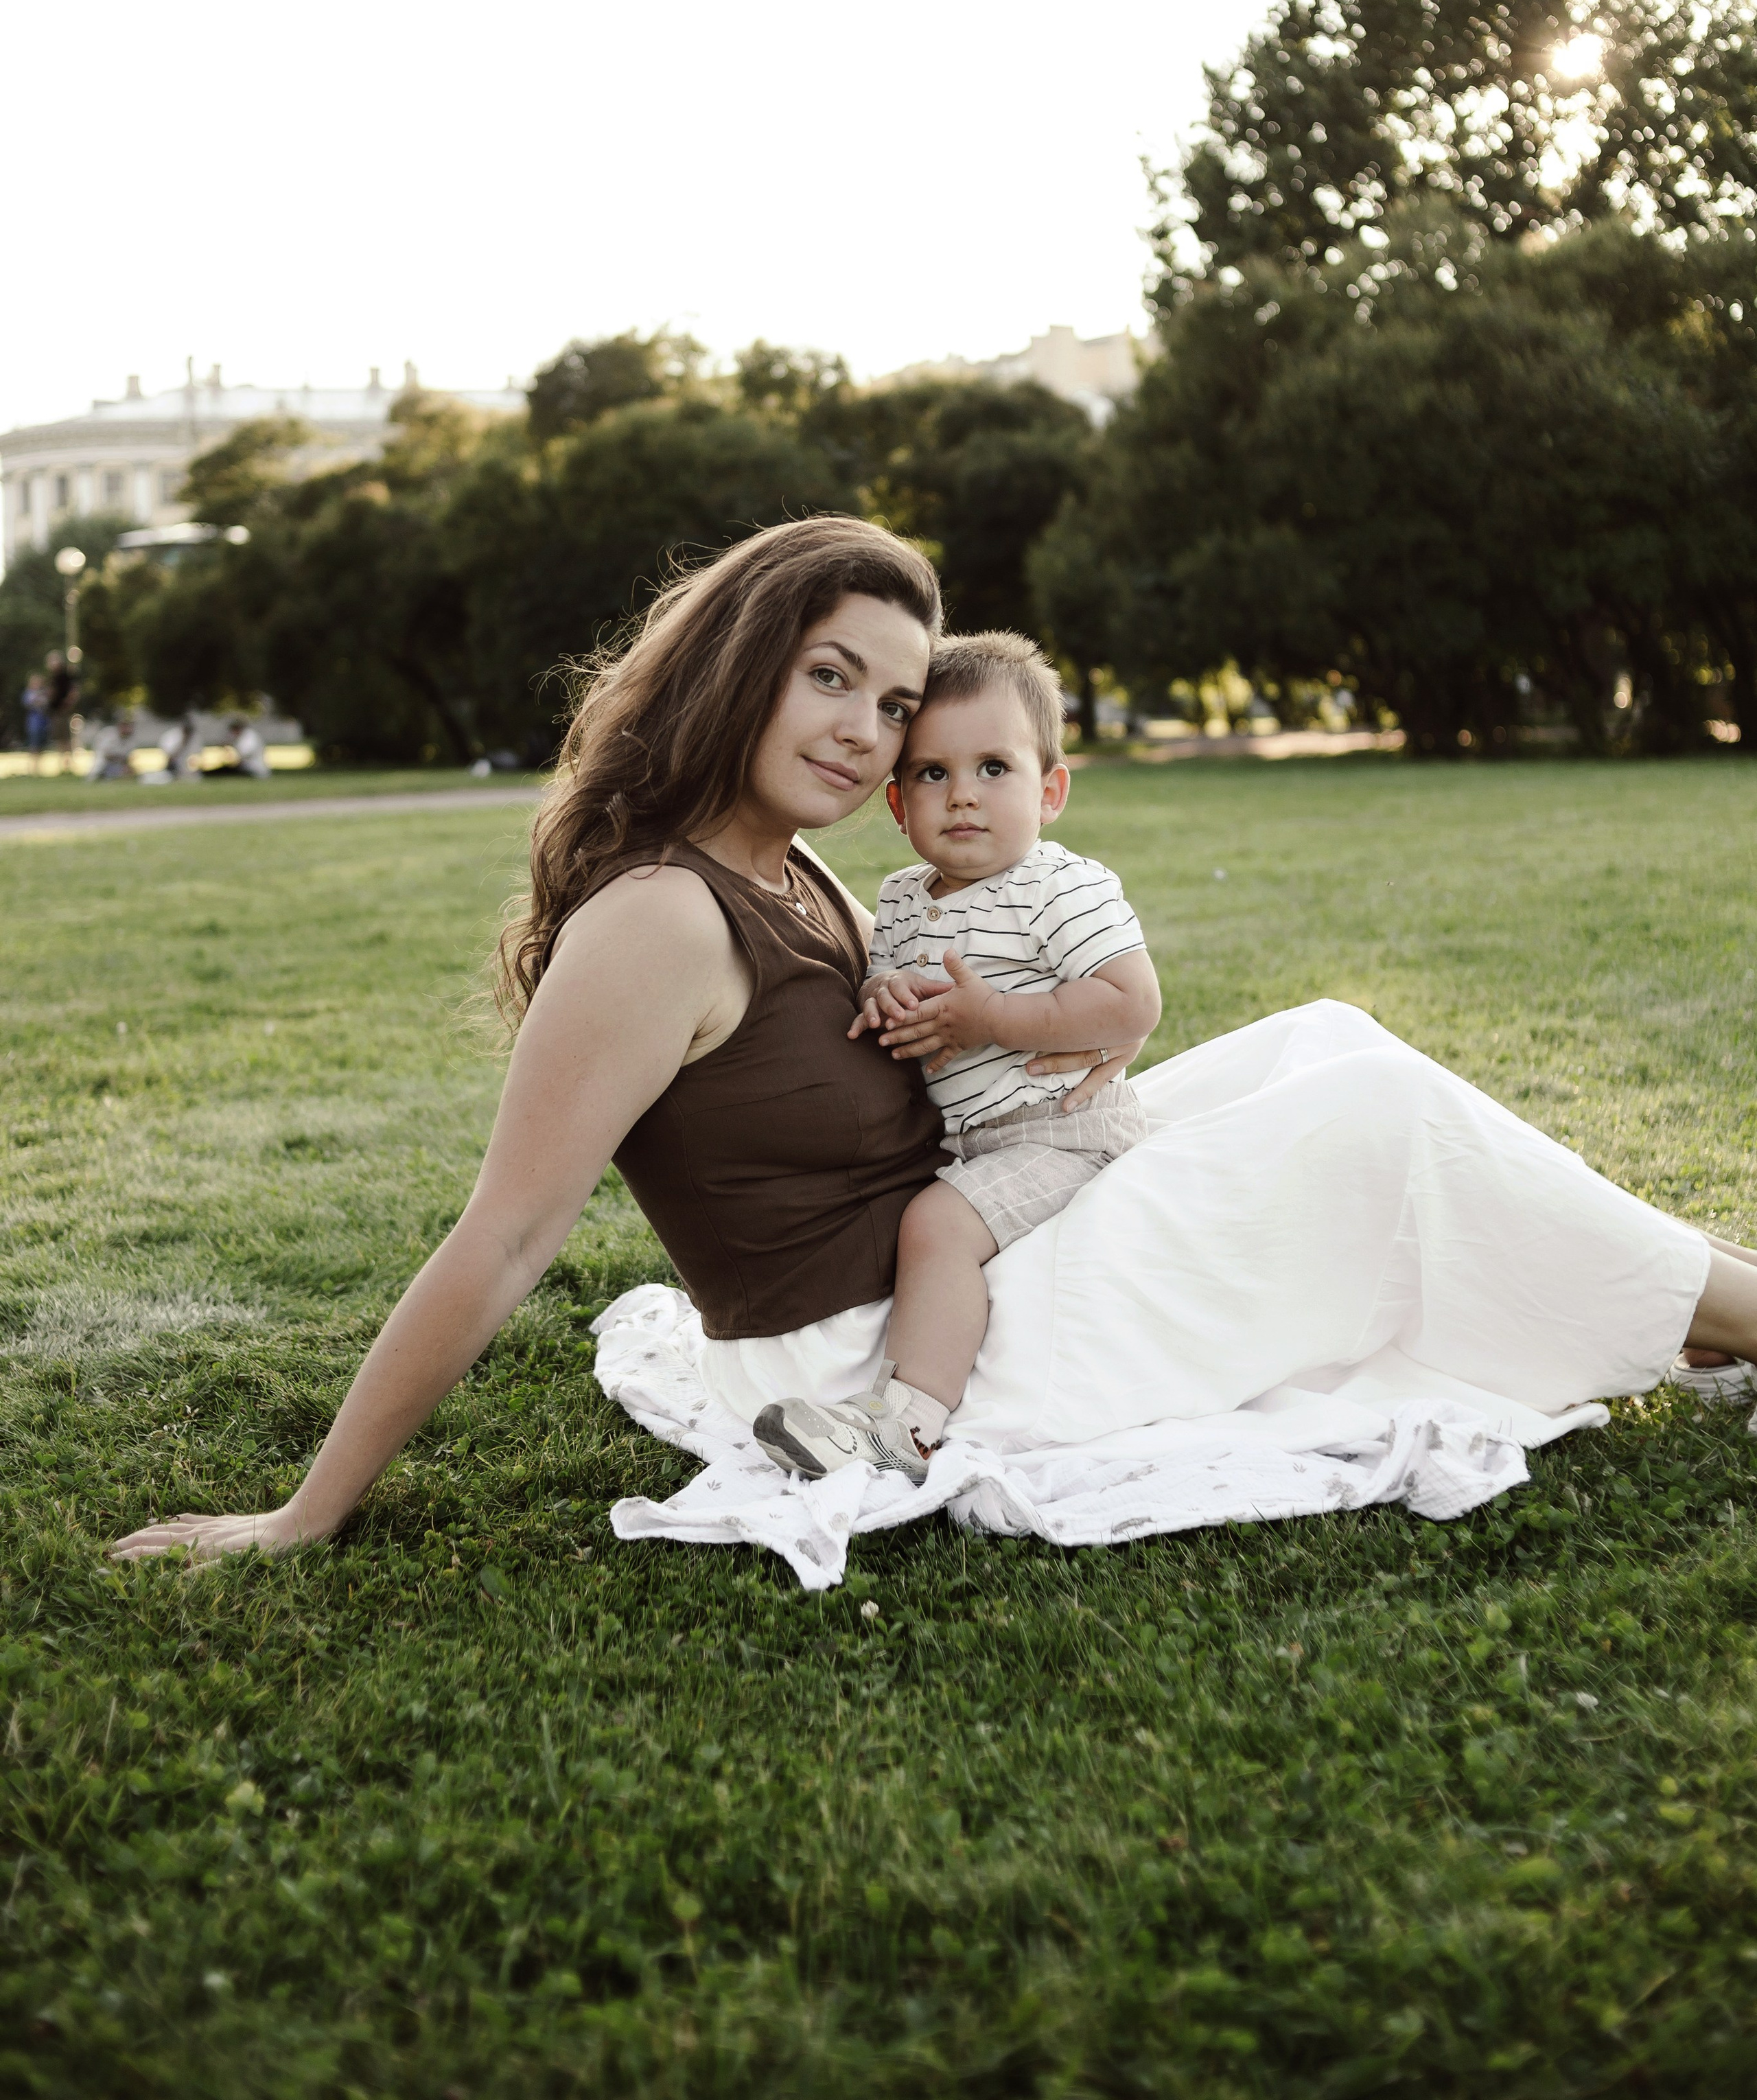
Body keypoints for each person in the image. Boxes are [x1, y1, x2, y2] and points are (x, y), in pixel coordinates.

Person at [108, 516, 1757, 1569]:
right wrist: (299, 1514)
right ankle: (1727, 1303)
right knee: (1377, 1118)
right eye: (831, 676)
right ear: (743, 662)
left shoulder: (798, 863)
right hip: (905, 1351)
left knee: (1322, 1038)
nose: (867, 732)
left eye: (895, 704)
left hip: (969, 1247)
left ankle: (1692, 1285)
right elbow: (507, 1231)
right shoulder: (658, 920)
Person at [753, 632, 1161, 1483]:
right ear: (899, 807)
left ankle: (904, 1425)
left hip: (1060, 1130)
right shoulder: (902, 899)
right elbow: (889, 981)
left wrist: (993, 1018)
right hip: (974, 1141)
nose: (963, 797)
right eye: (933, 774)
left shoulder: (1059, 885)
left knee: (934, 1224)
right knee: (929, 1207)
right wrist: (881, 998)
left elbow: (1130, 1001)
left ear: (1049, 791)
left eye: (993, 770)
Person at [84, 710, 140, 782]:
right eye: (125, 727)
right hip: (104, 762)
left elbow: (128, 757)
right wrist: (119, 759)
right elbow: (105, 754)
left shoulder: (131, 740)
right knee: (99, 766)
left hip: (118, 764)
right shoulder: (109, 734)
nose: (127, 729)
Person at [20, 672, 51, 771]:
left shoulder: (44, 692)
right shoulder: (28, 693)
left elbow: (47, 704)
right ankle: (32, 768)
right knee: (33, 744)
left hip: (44, 722)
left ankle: (39, 767)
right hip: (34, 723)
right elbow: (28, 704)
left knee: (42, 745)